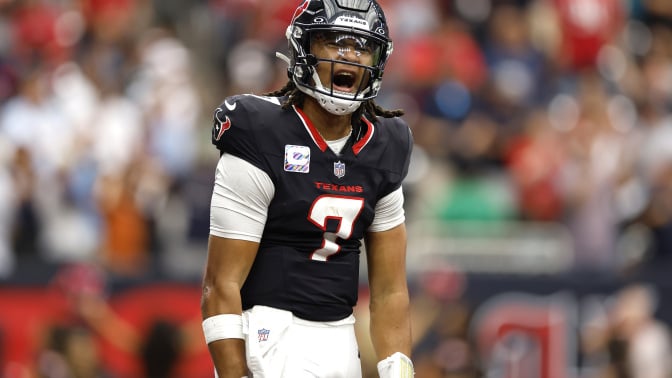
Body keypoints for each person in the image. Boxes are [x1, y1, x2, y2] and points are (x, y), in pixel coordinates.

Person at [200, 0, 415, 377]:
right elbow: (220, 285)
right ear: (304, 48)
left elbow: (390, 291)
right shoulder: (260, 130)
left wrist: (399, 370)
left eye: (362, 46)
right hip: (268, 333)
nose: (350, 56)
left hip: (341, 336)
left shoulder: (387, 144)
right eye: (334, 41)